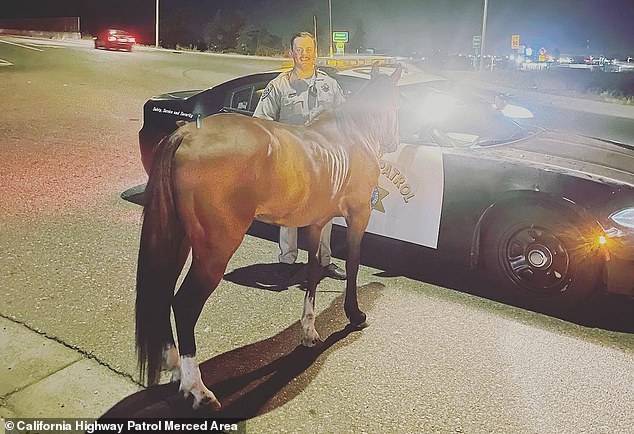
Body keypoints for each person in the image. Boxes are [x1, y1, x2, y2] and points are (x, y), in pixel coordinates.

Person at [253, 31, 346, 280]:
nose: (304, 54)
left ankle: (323, 262)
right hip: (291, 160)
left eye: (308, 49)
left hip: (325, 162)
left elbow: (344, 119)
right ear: (291, 52)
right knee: (289, 211)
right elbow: (260, 122)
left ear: (315, 52)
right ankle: (287, 261)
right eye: (299, 50)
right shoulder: (279, 85)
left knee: (325, 212)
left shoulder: (330, 85)